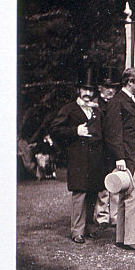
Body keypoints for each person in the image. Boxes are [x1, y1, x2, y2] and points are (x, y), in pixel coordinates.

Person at [50, 67, 105, 243]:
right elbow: (55, 130)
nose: (88, 93)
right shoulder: (69, 109)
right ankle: (77, 231)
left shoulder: (97, 110)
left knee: (92, 193)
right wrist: (76, 131)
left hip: (95, 158)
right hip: (79, 158)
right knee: (80, 193)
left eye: (90, 90)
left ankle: (90, 227)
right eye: (84, 89)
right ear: (78, 90)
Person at [103, 68, 135, 251]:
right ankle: (131, 239)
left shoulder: (131, 100)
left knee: (125, 195)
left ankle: (122, 237)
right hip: (126, 155)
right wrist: (119, 157)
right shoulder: (117, 102)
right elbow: (113, 133)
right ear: (130, 83)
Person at [94, 65, 120, 228]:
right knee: (102, 185)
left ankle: (115, 216)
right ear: (99, 87)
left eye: (113, 87)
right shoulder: (95, 106)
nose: (110, 91)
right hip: (100, 150)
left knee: (116, 182)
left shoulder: (117, 104)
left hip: (115, 149)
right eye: (107, 87)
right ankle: (102, 216)